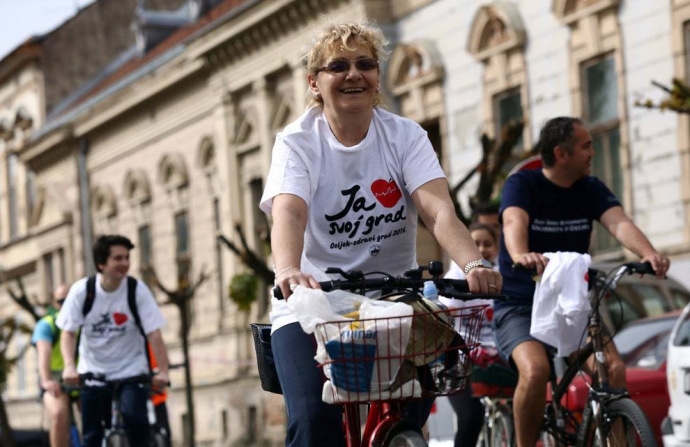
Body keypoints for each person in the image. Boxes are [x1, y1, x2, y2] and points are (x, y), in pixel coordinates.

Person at [259, 20, 502, 447]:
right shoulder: (296, 142)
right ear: (314, 83)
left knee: (416, 400)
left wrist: (473, 262)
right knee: (315, 420)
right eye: (338, 66)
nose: (353, 74)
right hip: (312, 303)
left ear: (376, 77)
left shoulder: (404, 135)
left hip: (393, 301)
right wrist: (289, 271)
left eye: (365, 64)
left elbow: (438, 209)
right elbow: (290, 214)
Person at [494, 116, 671, 447]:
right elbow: (513, 220)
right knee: (535, 372)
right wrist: (521, 255)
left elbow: (618, 223)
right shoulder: (523, 184)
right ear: (562, 153)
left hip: (571, 304)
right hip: (520, 304)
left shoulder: (590, 188)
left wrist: (649, 253)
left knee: (614, 370)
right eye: (586, 146)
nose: (592, 152)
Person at [57, 235, 170, 447]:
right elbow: (68, 332)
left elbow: (154, 333)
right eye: (118, 258)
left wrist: (162, 371)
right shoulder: (83, 292)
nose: (125, 263)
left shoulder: (136, 291)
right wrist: (70, 367)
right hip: (94, 371)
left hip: (131, 369)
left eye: (127, 257)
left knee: (137, 424)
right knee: (92, 435)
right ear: (101, 263)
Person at [441, 223, 499, 447]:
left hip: (495, 359)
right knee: (471, 416)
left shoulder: (501, 276)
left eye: (487, 244)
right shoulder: (452, 278)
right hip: (459, 361)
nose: (481, 249)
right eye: (475, 244)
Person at [31, 284, 73, 447]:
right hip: (56, 380)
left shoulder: (85, 322)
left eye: (70, 300)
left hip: (83, 379)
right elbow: (44, 354)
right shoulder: (47, 324)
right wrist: (47, 380)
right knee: (58, 414)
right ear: (54, 304)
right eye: (61, 301)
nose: (66, 304)